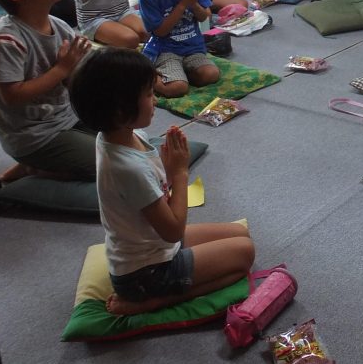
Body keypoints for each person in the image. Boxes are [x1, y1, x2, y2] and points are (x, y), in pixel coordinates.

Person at [69, 47, 254, 316]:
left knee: (240, 234)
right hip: (146, 274)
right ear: (121, 112)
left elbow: (148, 199)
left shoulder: (117, 135)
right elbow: (173, 231)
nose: (155, 100)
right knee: (245, 253)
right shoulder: (127, 167)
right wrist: (179, 174)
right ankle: (155, 302)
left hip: (149, 247)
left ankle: (159, 291)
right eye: (148, 94)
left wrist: (166, 170)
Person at [0, 0, 95, 182]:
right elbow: (12, 96)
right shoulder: (5, 40)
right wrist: (63, 68)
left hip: (67, 116)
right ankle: (33, 168)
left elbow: (73, 80)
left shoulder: (59, 25)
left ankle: (39, 164)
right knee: (110, 164)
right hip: (34, 136)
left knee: (129, 139)